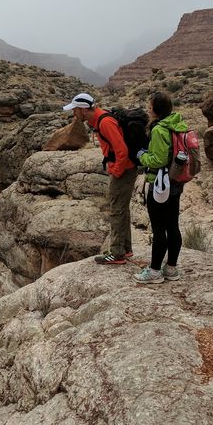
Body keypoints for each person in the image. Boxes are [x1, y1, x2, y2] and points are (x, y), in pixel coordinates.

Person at [62, 92, 137, 264]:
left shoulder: (105, 122)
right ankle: (126, 249)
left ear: (82, 110)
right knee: (122, 209)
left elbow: (122, 150)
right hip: (125, 169)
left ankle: (117, 254)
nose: (74, 114)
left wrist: (116, 172)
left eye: (75, 110)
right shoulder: (99, 120)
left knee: (116, 210)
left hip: (123, 171)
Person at [133, 91, 188, 284]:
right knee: (173, 225)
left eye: (150, 107)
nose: (148, 110)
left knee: (158, 229)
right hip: (175, 181)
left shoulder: (158, 129)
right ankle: (171, 269)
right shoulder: (177, 123)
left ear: (156, 110)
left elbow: (157, 159)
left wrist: (142, 156)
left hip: (159, 183)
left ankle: (155, 271)